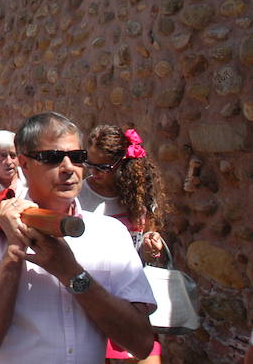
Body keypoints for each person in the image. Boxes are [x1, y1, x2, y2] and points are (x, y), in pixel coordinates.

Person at [0, 111, 156, 363]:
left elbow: (141, 344)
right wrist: (14, 252)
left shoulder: (110, 234)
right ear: (24, 164)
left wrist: (72, 274)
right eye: (52, 158)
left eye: (77, 157)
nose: (68, 168)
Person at [81, 125, 168, 363]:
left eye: (103, 167)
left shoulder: (139, 196)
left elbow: (148, 239)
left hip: (132, 301)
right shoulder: (80, 195)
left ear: (122, 164)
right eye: (90, 164)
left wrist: (153, 243)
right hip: (91, 299)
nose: (94, 172)